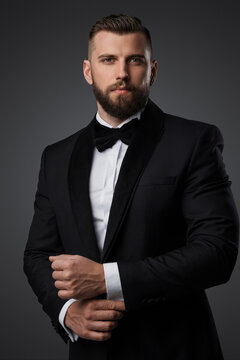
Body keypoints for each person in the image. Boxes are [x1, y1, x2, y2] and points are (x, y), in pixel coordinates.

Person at [24, 14, 239, 360]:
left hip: (177, 348)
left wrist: (106, 279)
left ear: (152, 70)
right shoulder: (56, 157)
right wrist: (66, 313)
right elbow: (36, 254)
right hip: (92, 352)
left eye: (134, 60)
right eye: (108, 60)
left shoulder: (195, 141)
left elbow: (217, 252)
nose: (122, 73)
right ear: (88, 71)